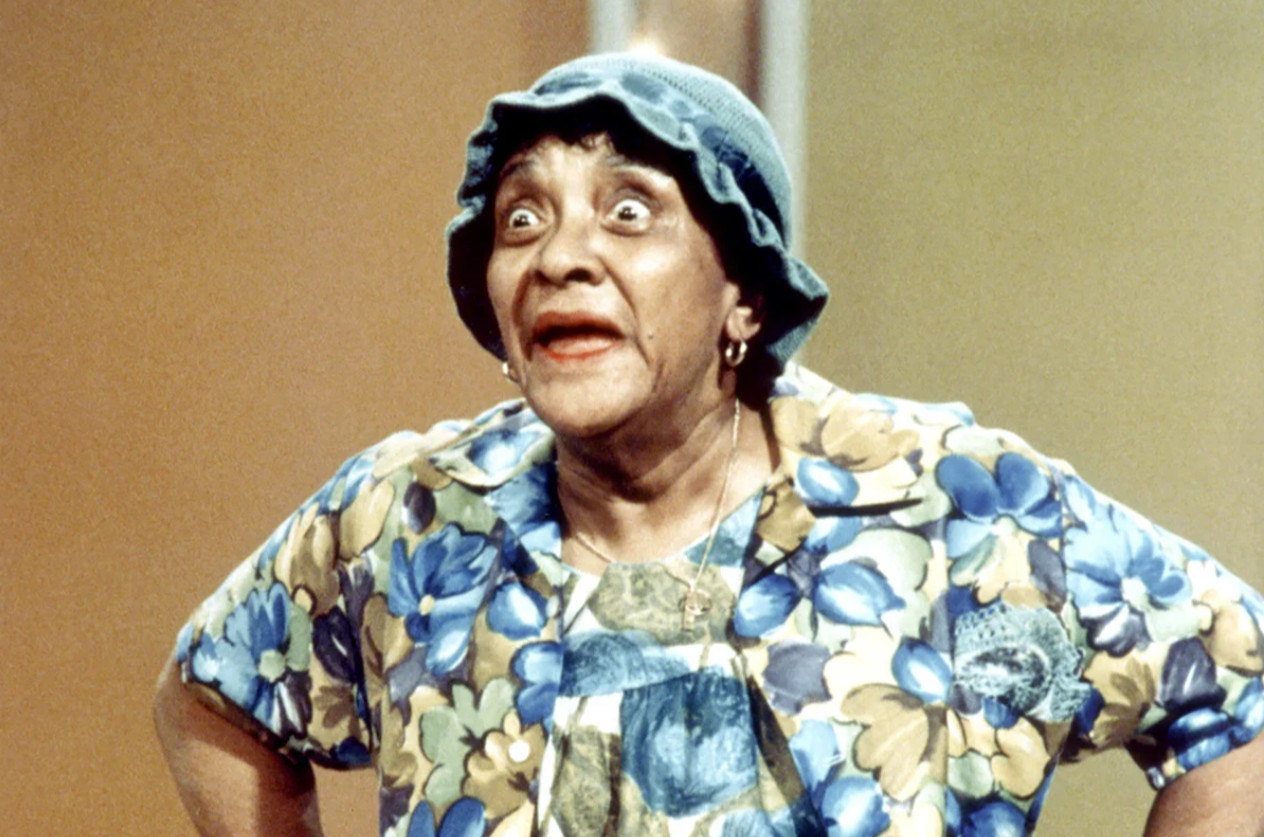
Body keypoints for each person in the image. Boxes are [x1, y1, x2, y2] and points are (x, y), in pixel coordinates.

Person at [153, 53, 1264, 837]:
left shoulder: (952, 512)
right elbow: (214, 695)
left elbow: (1237, 695)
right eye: (521, 219)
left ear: (746, 293)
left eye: (629, 211)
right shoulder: (412, 519)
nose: (558, 256)